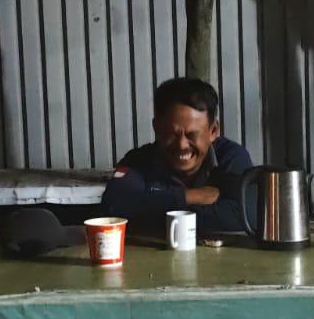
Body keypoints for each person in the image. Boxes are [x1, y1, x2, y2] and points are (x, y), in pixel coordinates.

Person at [101, 77, 254, 234]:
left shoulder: (231, 157)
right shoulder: (137, 161)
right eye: (171, 134)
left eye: (192, 135)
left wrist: (151, 208)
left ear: (213, 131)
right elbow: (113, 208)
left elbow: (246, 215)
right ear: (156, 128)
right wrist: (189, 197)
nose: (181, 145)